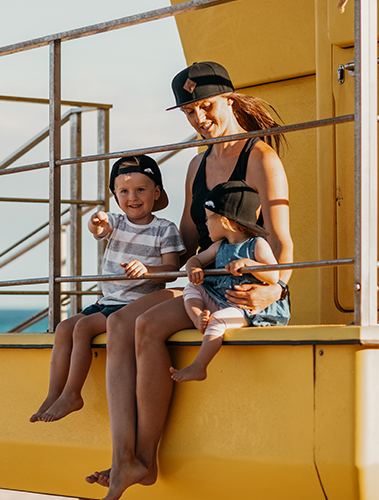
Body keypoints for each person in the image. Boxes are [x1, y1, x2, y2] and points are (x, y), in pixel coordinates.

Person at [86, 61, 293, 500]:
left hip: (241, 284)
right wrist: (124, 236)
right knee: (124, 322)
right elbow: (185, 240)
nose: (199, 119)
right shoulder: (196, 164)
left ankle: (143, 456)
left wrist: (275, 287)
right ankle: (126, 459)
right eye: (189, 112)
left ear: (230, 100)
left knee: (143, 327)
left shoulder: (260, 157)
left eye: (207, 107)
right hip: (200, 277)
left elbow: (279, 238)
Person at [30, 154, 184, 423]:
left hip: (134, 305)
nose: (132, 197)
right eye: (124, 191)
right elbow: (99, 229)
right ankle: (53, 392)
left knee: (82, 328)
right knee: (64, 328)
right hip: (107, 301)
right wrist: (96, 221)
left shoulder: (164, 229)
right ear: (115, 196)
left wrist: (149, 270)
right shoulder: (117, 222)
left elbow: (173, 270)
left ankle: (72, 394)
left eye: (140, 190)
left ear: (156, 192)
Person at [170, 180, 290, 383]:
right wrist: (193, 267)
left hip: (246, 307)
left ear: (226, 221)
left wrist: (249, 264)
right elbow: (197, 259)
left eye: (209, 218)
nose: (206, 224)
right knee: (192, 287)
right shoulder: (220, 246)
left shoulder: (257, 245)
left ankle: (200, 366)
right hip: (221, 297)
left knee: (217, 321)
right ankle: (197, 317)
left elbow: (273, 276)